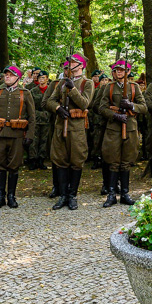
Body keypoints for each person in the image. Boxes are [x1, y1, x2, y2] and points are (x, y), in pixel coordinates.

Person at [0, 65, 36, 209]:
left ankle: (11, 196)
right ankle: (0, 196)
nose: (7, 76)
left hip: (17, 135)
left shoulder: (25, 93)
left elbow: (32, 117)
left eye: (11, 75)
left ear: (17, 78)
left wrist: (30, 136)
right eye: (6, 74)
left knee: (14, 166)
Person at [47, 53, 93, 210]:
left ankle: (72, 195)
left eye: (73, 62)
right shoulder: (61, 82)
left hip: (77, 128)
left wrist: (72, 88)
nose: (70, 64)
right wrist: (57, 108)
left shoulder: (87, 83)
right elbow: (50, 101)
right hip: (61, 126)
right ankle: (63, 195)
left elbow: (84, 103)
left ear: (81, 65)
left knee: (76, 160)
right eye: (69, 62)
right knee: (60, 160)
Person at [99, 60, 147, 207]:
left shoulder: (134, 87)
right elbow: (102, 107)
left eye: (122, 70)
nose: (119, 73)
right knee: (113, 161)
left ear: (127, 72)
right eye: (116, 70)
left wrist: (131, 106)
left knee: (127, 161)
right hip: (113, 127)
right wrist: (115, 115)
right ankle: (112, 194)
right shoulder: (109, 87)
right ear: (113, 73)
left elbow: (144, 107)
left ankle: (125, 193)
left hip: (130, 127)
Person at [41, 61, 67, 198]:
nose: (68, 69)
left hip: (74, 125)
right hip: (55, 124)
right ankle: (56, 186)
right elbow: (45, 102)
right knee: (56, 157)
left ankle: (69, 188)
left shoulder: (82, 83)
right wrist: (57, 108)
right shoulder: (55, 84)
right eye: (66, 67)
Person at [29, 69, 51, 171]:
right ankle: (33, 160)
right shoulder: (33, 91)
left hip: (47, 118)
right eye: (39, 78)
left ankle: (41, 160)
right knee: (34, 139)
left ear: (47, 79)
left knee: (44, 140)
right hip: (36, 117)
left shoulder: (51, 90)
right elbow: (30, 105)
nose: (41, 80)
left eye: (43, 78)